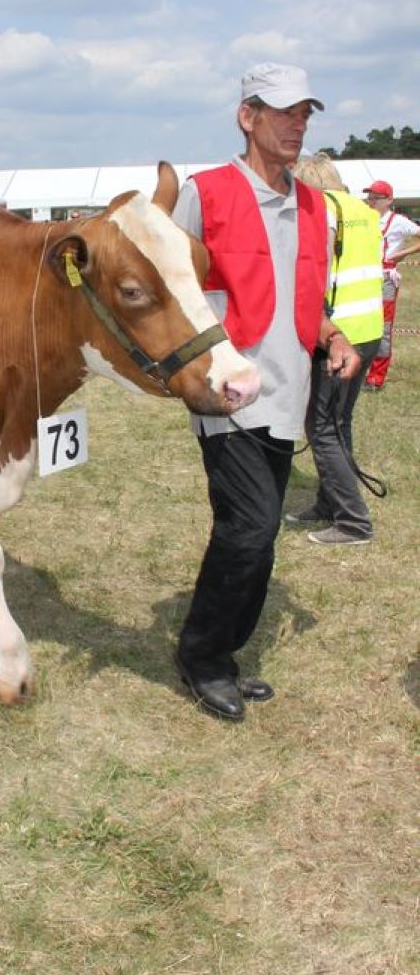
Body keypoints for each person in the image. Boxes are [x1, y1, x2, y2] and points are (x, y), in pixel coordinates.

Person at [171, 62, 360, 721]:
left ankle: (222, 652)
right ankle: (200, 656)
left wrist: (332, 337)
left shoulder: (313, 203)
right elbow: (170, 286)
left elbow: (304, 293)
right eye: (283, 111)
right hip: (230, 393)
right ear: (246, 116)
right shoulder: (204, 192)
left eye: (305, 112)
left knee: (260, 536)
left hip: (290, 392)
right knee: (248, 530)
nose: (297, 124)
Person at [287, 154, 383, 545]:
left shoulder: (320, 212)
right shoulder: (363, 211)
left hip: (336, 333)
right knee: (339, 422)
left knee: (321, 426)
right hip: (368, 329)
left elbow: (317, 272)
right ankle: (329, 503)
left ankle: (353, 520)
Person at [361, 180, 419, 391]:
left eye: (376, 198)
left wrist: (402, 253)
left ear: (389, 200)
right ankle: (359, 371)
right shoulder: (364, 218)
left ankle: (376, 377)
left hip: (386, 277)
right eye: (370, 197)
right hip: (365, 276)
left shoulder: (398, 222)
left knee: (383, 328)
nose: (371, 201)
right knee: (363, 325)